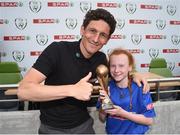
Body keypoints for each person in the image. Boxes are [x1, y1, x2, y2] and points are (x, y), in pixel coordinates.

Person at [17, 8, 149, 134]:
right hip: (53, 128)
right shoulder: (57, 50)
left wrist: (134, 75)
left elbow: (118, 74)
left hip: (84, 126)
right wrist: (72, 90)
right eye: (92, 31)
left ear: (107, 40)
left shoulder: (101, 58)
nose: (96, 39)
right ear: (82, 30)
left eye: (102, 35)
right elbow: (23, 91)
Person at [97, 48, 156, 134]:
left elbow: (149, 120)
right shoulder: (107, 87)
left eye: (121, 66)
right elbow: (102, 119)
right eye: (113, 66)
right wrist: (105, 103)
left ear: (129, 67)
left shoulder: (140, 87)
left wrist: (122, 113)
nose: (116, 70)